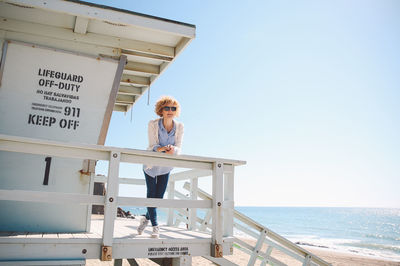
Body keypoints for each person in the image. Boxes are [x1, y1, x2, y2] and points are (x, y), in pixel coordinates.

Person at [137, 96, 184, 238]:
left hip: (166, 167)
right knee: (151, 194)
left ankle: (145, 218)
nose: (170, 111)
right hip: (151, 165)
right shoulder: (153, 124)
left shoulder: (179, 127)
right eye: (167, 108)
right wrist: (162, 148)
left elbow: (179, 147)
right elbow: (152, 146)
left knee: (159, 198)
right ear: (161, 110)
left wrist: (173, 150)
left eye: (173, 108)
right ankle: (155, 227)